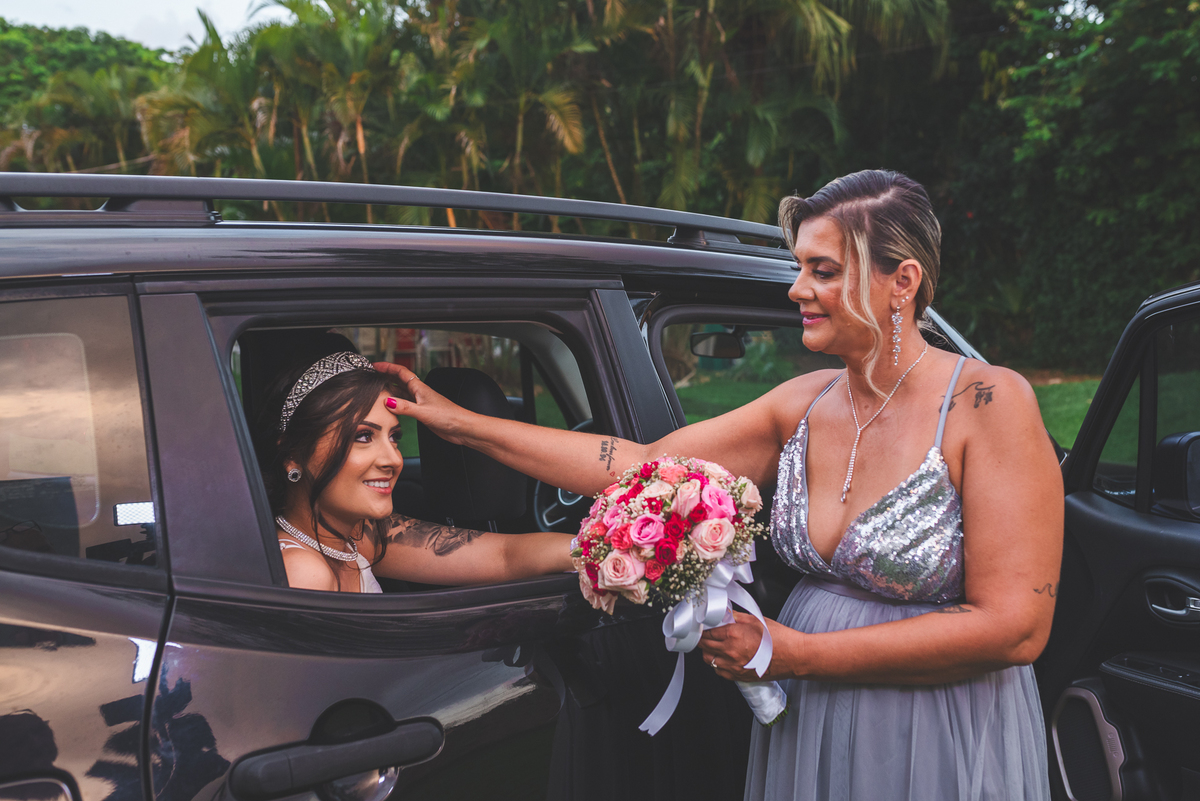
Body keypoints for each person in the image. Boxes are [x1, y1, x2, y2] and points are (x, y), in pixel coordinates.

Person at [376, 170, 1062, 799]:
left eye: (822, 271)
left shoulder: (987, 404)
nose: (797, 289)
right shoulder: (805, 403)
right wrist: (462, 425)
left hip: (932, 724)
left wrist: (800, 653)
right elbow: (638, 463)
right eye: (800, 268)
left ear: (902, 281)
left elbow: (1014, 628)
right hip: (815, 719)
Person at [257, 348, 573, 592]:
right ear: (294, 455)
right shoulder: (303, 572)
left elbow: (504, 556)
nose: (393, 460)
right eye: (364, 436)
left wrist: (606, 547)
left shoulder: (359, 536)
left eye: (394, 437)